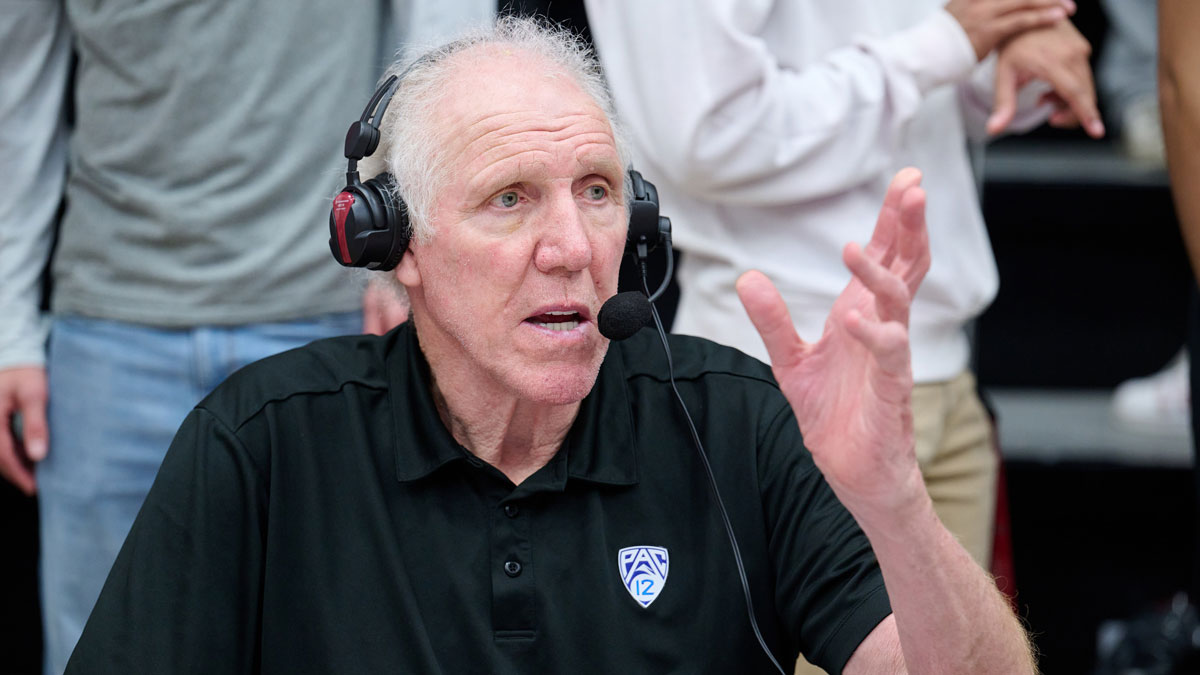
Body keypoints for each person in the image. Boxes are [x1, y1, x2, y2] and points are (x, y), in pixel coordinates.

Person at [65, 18, 1034, 674]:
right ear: (395, 244)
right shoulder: (263, 444)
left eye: (598, 192)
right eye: (510, 198)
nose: (571, 248)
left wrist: (895, 501)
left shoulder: (735, 420)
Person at [584, 0, 1103, 573]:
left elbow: (944, 75)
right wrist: (947, 46)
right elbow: (708, 132)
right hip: (786, 374)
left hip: (940, 372)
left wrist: (1011, 49)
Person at [0, 2, 424, 673]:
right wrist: (7, 328)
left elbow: (439, 33)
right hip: (111, 333)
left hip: (329, 314)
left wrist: (403, 253)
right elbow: (13, 86)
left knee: (335, 649)